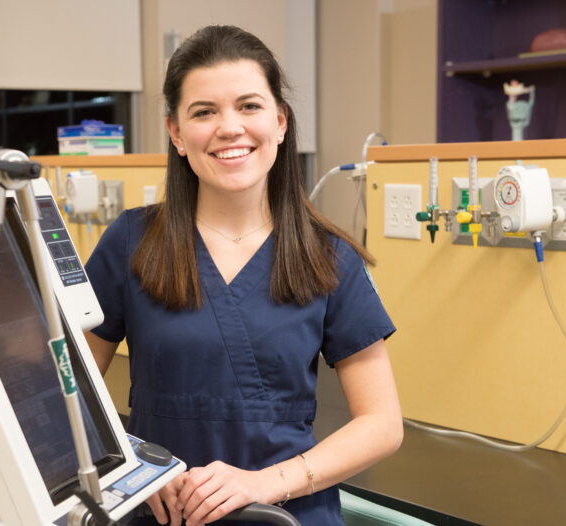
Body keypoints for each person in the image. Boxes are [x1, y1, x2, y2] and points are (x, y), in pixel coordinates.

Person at [84, 25, 402, 526]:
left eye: (249, 106)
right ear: (176, 133)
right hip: (162, 513)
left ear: (280, 122)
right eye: (204, 112)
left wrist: (263, 484)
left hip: (287, 514)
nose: (229, 127)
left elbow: (382, 424)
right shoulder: (131, 244)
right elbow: (64, 394)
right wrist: (134, 467)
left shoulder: (327, 255)